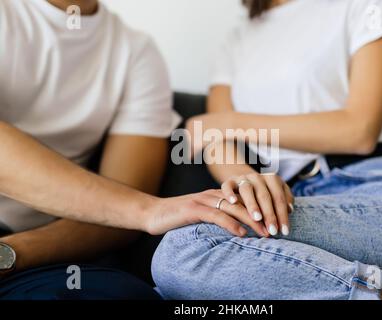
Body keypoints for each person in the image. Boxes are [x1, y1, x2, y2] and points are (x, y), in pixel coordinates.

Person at [152, 0, 382, 300]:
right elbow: (214, 139)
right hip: (293, 204)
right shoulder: (239, 38)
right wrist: (247, 183)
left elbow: (359, 131)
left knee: (189, 244)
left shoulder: (368, 5)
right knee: (176, 284)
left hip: (380, 192)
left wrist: (229, 121)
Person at [0, 0, 254, 300]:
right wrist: (149, 209)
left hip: (34, 253)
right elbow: (136, 209)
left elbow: (120, 216)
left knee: (125, 295)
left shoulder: (136, 52)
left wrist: (13, 253)